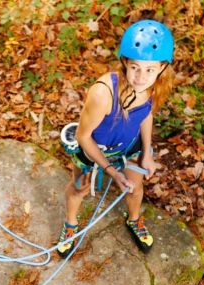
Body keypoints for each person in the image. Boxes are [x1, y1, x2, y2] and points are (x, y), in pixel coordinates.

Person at [56, 19, 175, 256]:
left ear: (162, 67)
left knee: (134, 187)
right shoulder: (104, 92)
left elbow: (145, 115)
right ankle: (70, 226)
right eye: (135, 67)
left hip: (130, 144)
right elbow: (83, 135)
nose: (141, 77)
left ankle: (133, 219)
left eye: (149, 69)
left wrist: (147, 153)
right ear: (124, 63)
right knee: (79, 188)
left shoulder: (154, 85)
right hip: (94, 146)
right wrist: (111, 170)